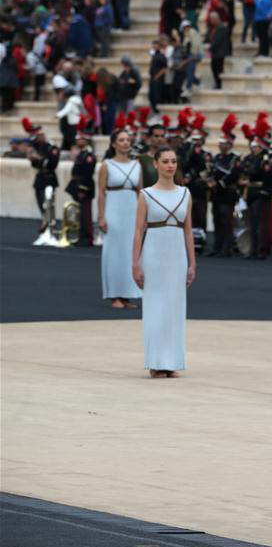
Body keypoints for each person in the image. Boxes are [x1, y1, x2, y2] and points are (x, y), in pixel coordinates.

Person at [132, 146, 196, 378]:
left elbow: (188, 231)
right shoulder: (146, 194)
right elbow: (138, 231)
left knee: (175, 308)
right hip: (153, 254)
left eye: (173, 161)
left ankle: (172, 361)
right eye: (165, 161)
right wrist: (135, 264)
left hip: (177, 254)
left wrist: (192, 263)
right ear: (156, 164)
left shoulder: (185, 193)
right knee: (155, 307)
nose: (170, 165)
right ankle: (156, 362)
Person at [98, 129, 143, 309]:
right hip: (113, 209)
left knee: (130, 253)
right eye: (122, 140)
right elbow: (101, 192)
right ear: (114, 144)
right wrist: (101, 216)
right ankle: (115, 294)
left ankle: (128, 294)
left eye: (127, 140)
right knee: (114, 253)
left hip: (131, 209)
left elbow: (141, 192)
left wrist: (143, 216)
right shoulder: (106, 165)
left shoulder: (137, 165)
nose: (126, 143)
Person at [206, 126, 241, 257]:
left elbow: (234, 174)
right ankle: (217, 246)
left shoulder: (234, 158)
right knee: (217, 221)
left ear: (230, 144)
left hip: (228, 194)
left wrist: (220, 183)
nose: (221, 145)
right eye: (220, 143)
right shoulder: (217, 158)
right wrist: (210, 180)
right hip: (216, 194)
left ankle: (227, 247)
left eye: (224, 143)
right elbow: (212, 172)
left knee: (227, 221)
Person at [65, 126, 97, 246]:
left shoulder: (88, 156)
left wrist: (82, 189)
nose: (77, 140)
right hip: (78, 185)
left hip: (85, 187)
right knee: (80, 214)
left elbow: (87, 174)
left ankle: (88, 237)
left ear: (86, 140)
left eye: (80, 138)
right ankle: (81, 236)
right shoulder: (82, 154)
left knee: (86, 214)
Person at [23, 119, 59, 218]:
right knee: (40, 200)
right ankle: (45, 219)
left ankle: (50, 222)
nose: (37, 138)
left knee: (49, 203)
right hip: (40, 176)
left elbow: (52, 164)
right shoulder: (37, 146)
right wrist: (32, 158)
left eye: (39, 135)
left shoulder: (51, 147)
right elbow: (34, 164)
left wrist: (39, 158)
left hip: (49, 177)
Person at [208, 11, 230, 90]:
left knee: (218, 69)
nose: (211, 21)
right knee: (214, 68)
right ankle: (217, 84)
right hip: (215, 53)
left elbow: (217, 41)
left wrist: (210, 48)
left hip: (220, 53)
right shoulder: (216, 27)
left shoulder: (222, 28)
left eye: (212, 19)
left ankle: (219, 85)